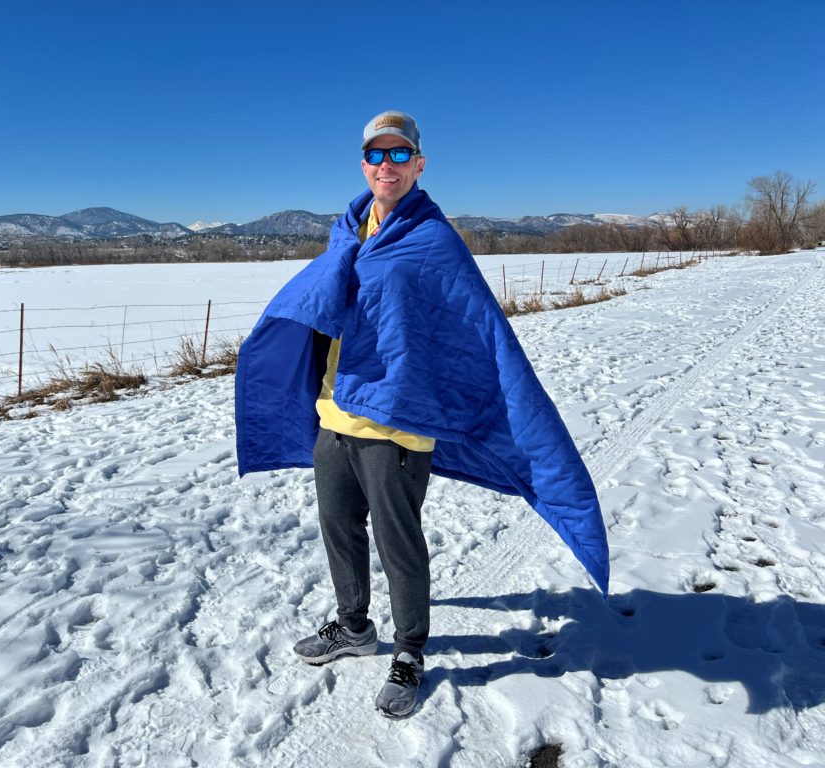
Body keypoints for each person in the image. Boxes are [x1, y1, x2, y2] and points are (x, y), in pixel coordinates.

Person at [234, 110, 608, 718]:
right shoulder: (349, 230)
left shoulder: (433, 240)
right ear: (363, 165)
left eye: (400, 155)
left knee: (397, 542)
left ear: (420, 163)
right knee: (338, 529)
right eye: (377, 155)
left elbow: (470, 329)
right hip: (337, 413)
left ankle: (409, 650)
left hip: (400, 424)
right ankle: (354, 625)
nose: (388, 165)